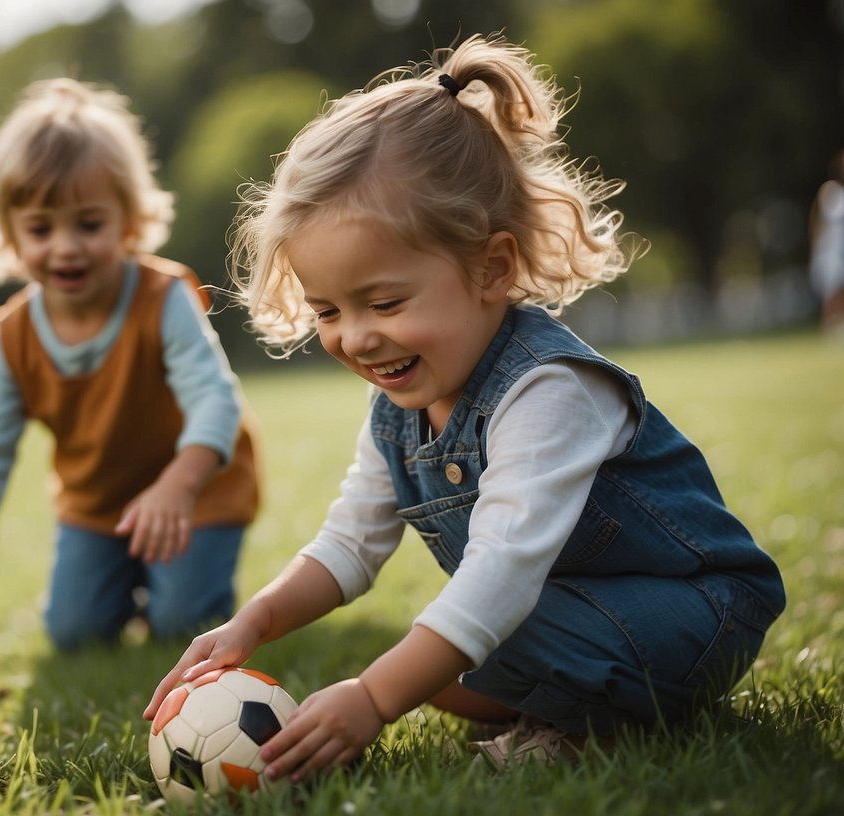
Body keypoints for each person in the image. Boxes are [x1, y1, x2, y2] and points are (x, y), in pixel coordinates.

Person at [144, 34, 785, 775]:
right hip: (568, 614)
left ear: (491, 268)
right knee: (436, 664)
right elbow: (350, 544)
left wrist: (373, 698)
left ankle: (595, 731)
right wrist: (251, 623)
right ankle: (563, 701)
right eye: (326, 312)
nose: (356, 338)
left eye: (383, 301)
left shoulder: (548, 389)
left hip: (695, 615)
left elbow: (501, 573)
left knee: (447, 639)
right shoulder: (397, 408)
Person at [0, 78, 259, 651]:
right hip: (97, 508)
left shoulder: (162, 297)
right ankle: (128, 582)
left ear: (128, 219)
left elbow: (214, 398)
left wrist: (178, 485)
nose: (66, 246)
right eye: (41, 228)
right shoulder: (14, 333)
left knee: (181, 625)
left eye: (89, 224)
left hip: (196, 491)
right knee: (74, 633)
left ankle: (183, 586)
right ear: (9, 232)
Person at [808, 150, 844, 336]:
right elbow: (818, 222)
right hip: (830, 251)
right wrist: (816, 248)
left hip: (841, 251)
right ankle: (829, 328)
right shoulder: (830, 191)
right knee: (831, 290)